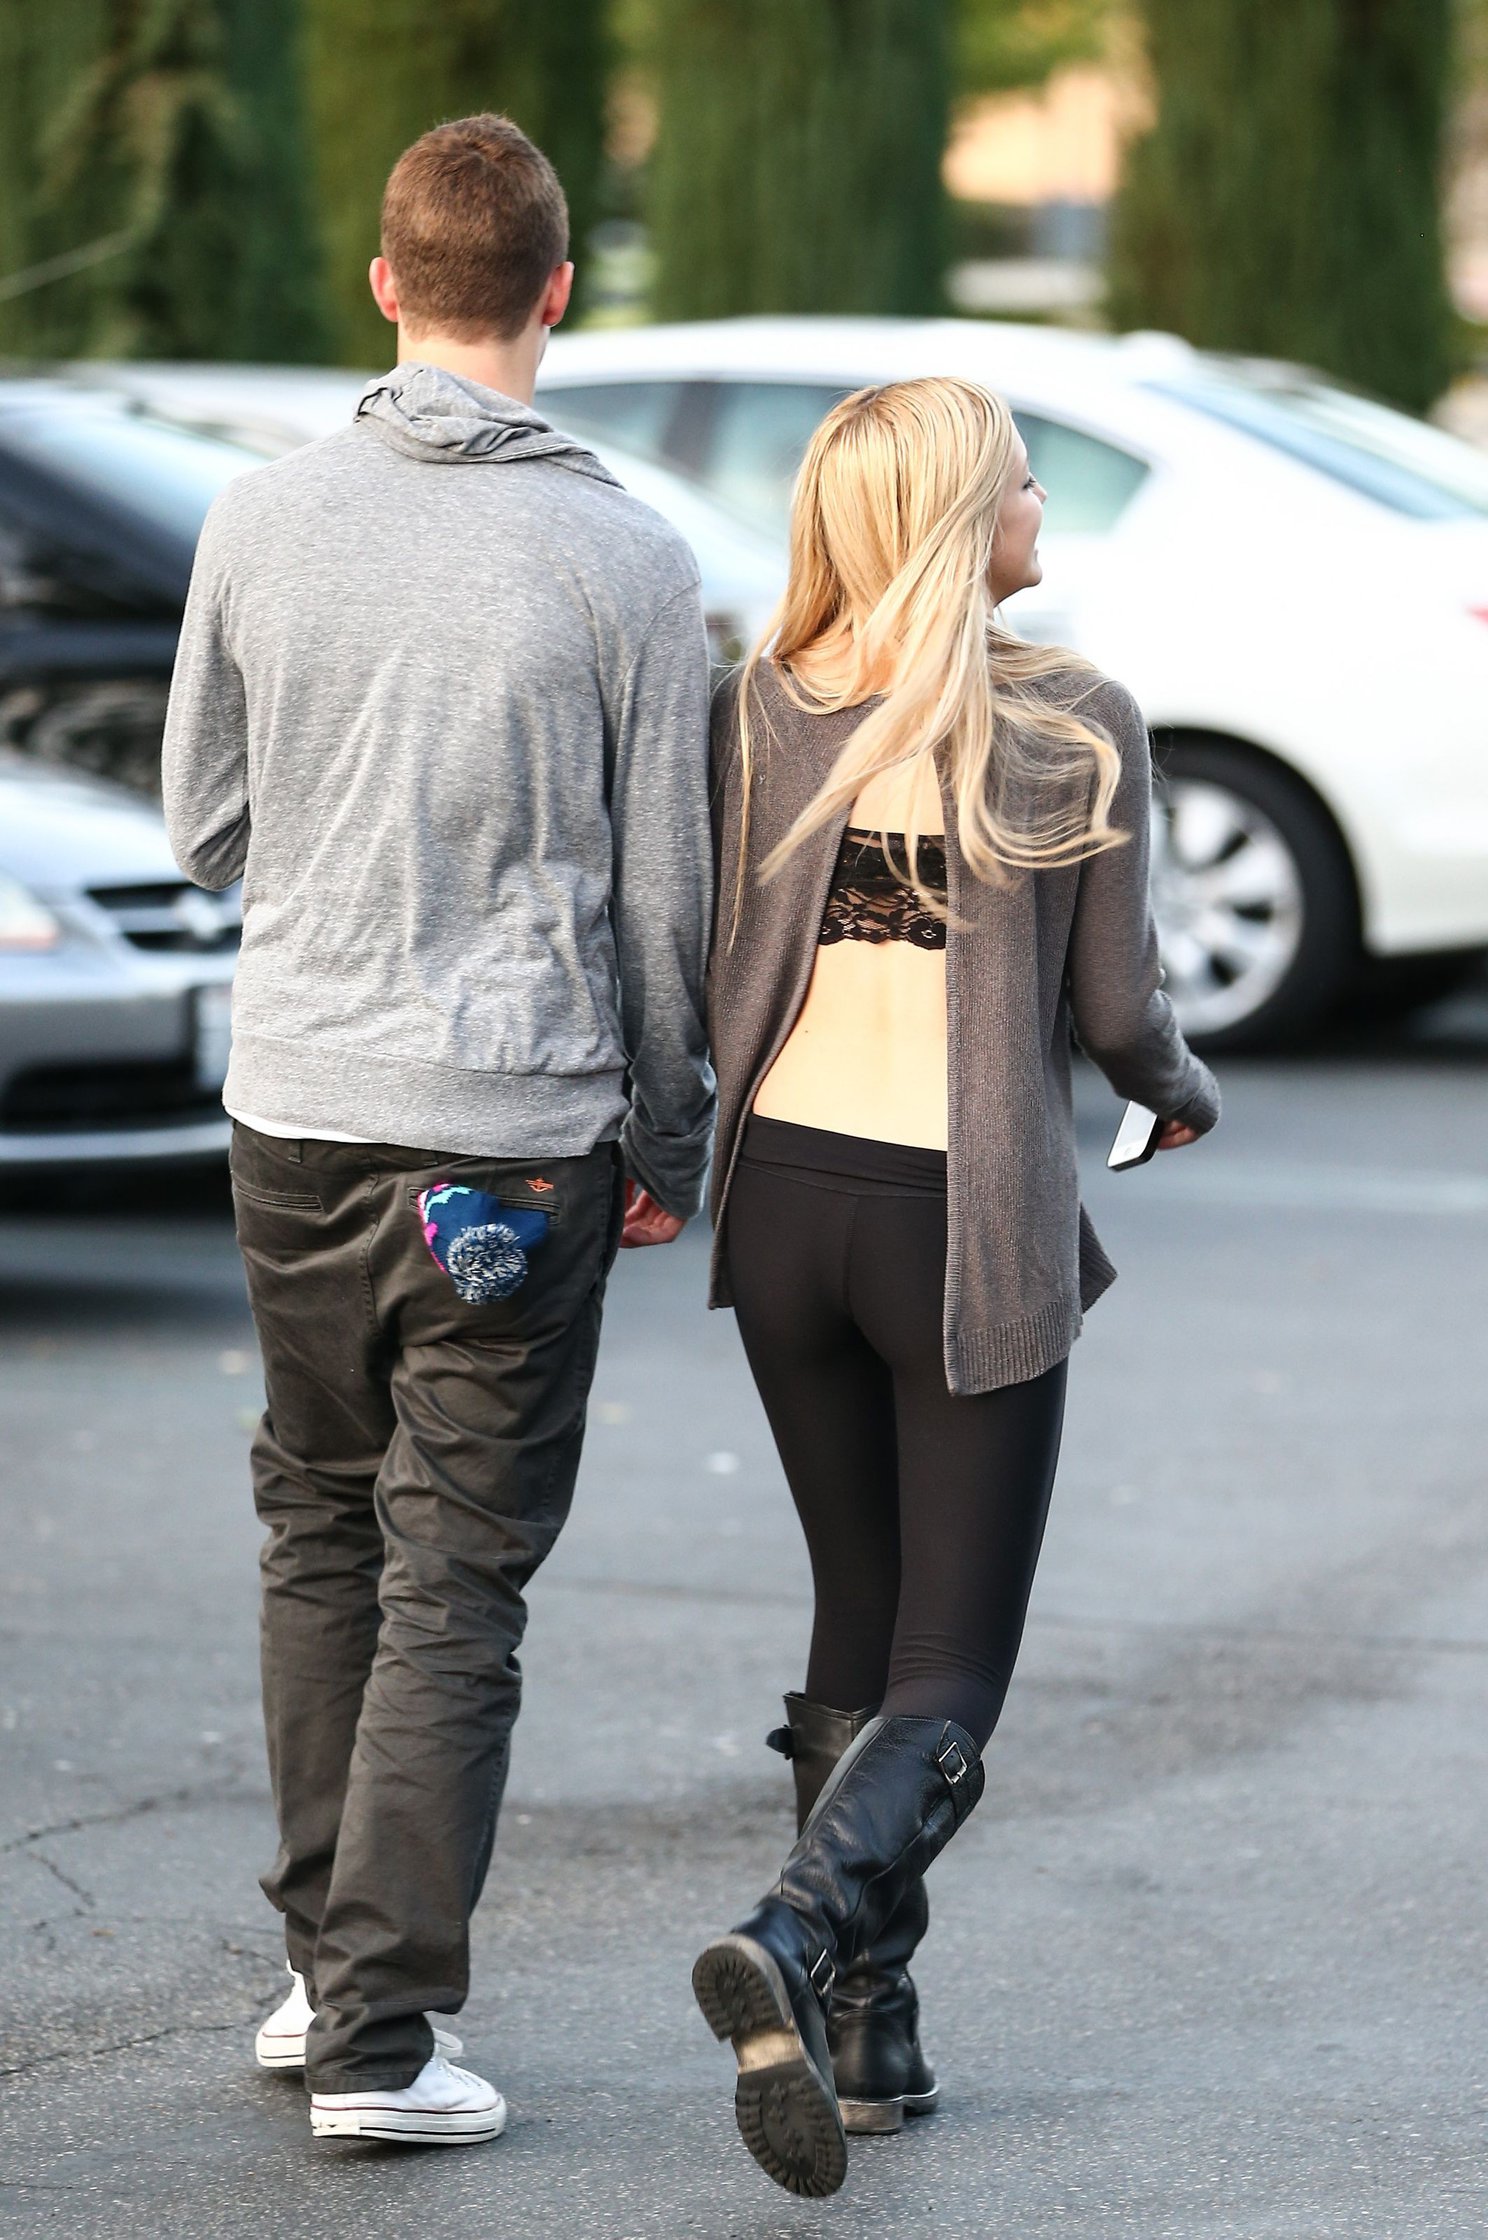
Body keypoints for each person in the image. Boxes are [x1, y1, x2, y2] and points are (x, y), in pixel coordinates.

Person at [162, 114, 714, 2148]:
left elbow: (207, 825)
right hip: (513, 1125)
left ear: (386, 284)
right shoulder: (631, 558)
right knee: (455, 1568)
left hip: (294, 1103)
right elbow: (671, 894)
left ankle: (330, 1984)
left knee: (319, 1520)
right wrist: (678, 1138)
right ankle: (385, 2038)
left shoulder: (257, 518)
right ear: (560, 290)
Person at [692, 376, 1219, 2198]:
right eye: (1016, 485)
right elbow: (1119, 1016)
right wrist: (1183, 1093)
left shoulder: (765, 702)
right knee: (951, 1671)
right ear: (949, 520)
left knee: (859, 1609)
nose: (1039, 514)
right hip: (955, 1219)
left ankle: (868, 2039)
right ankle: (798, 1928)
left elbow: (711, 962)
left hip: (782, 1211)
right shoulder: (1073, 722)